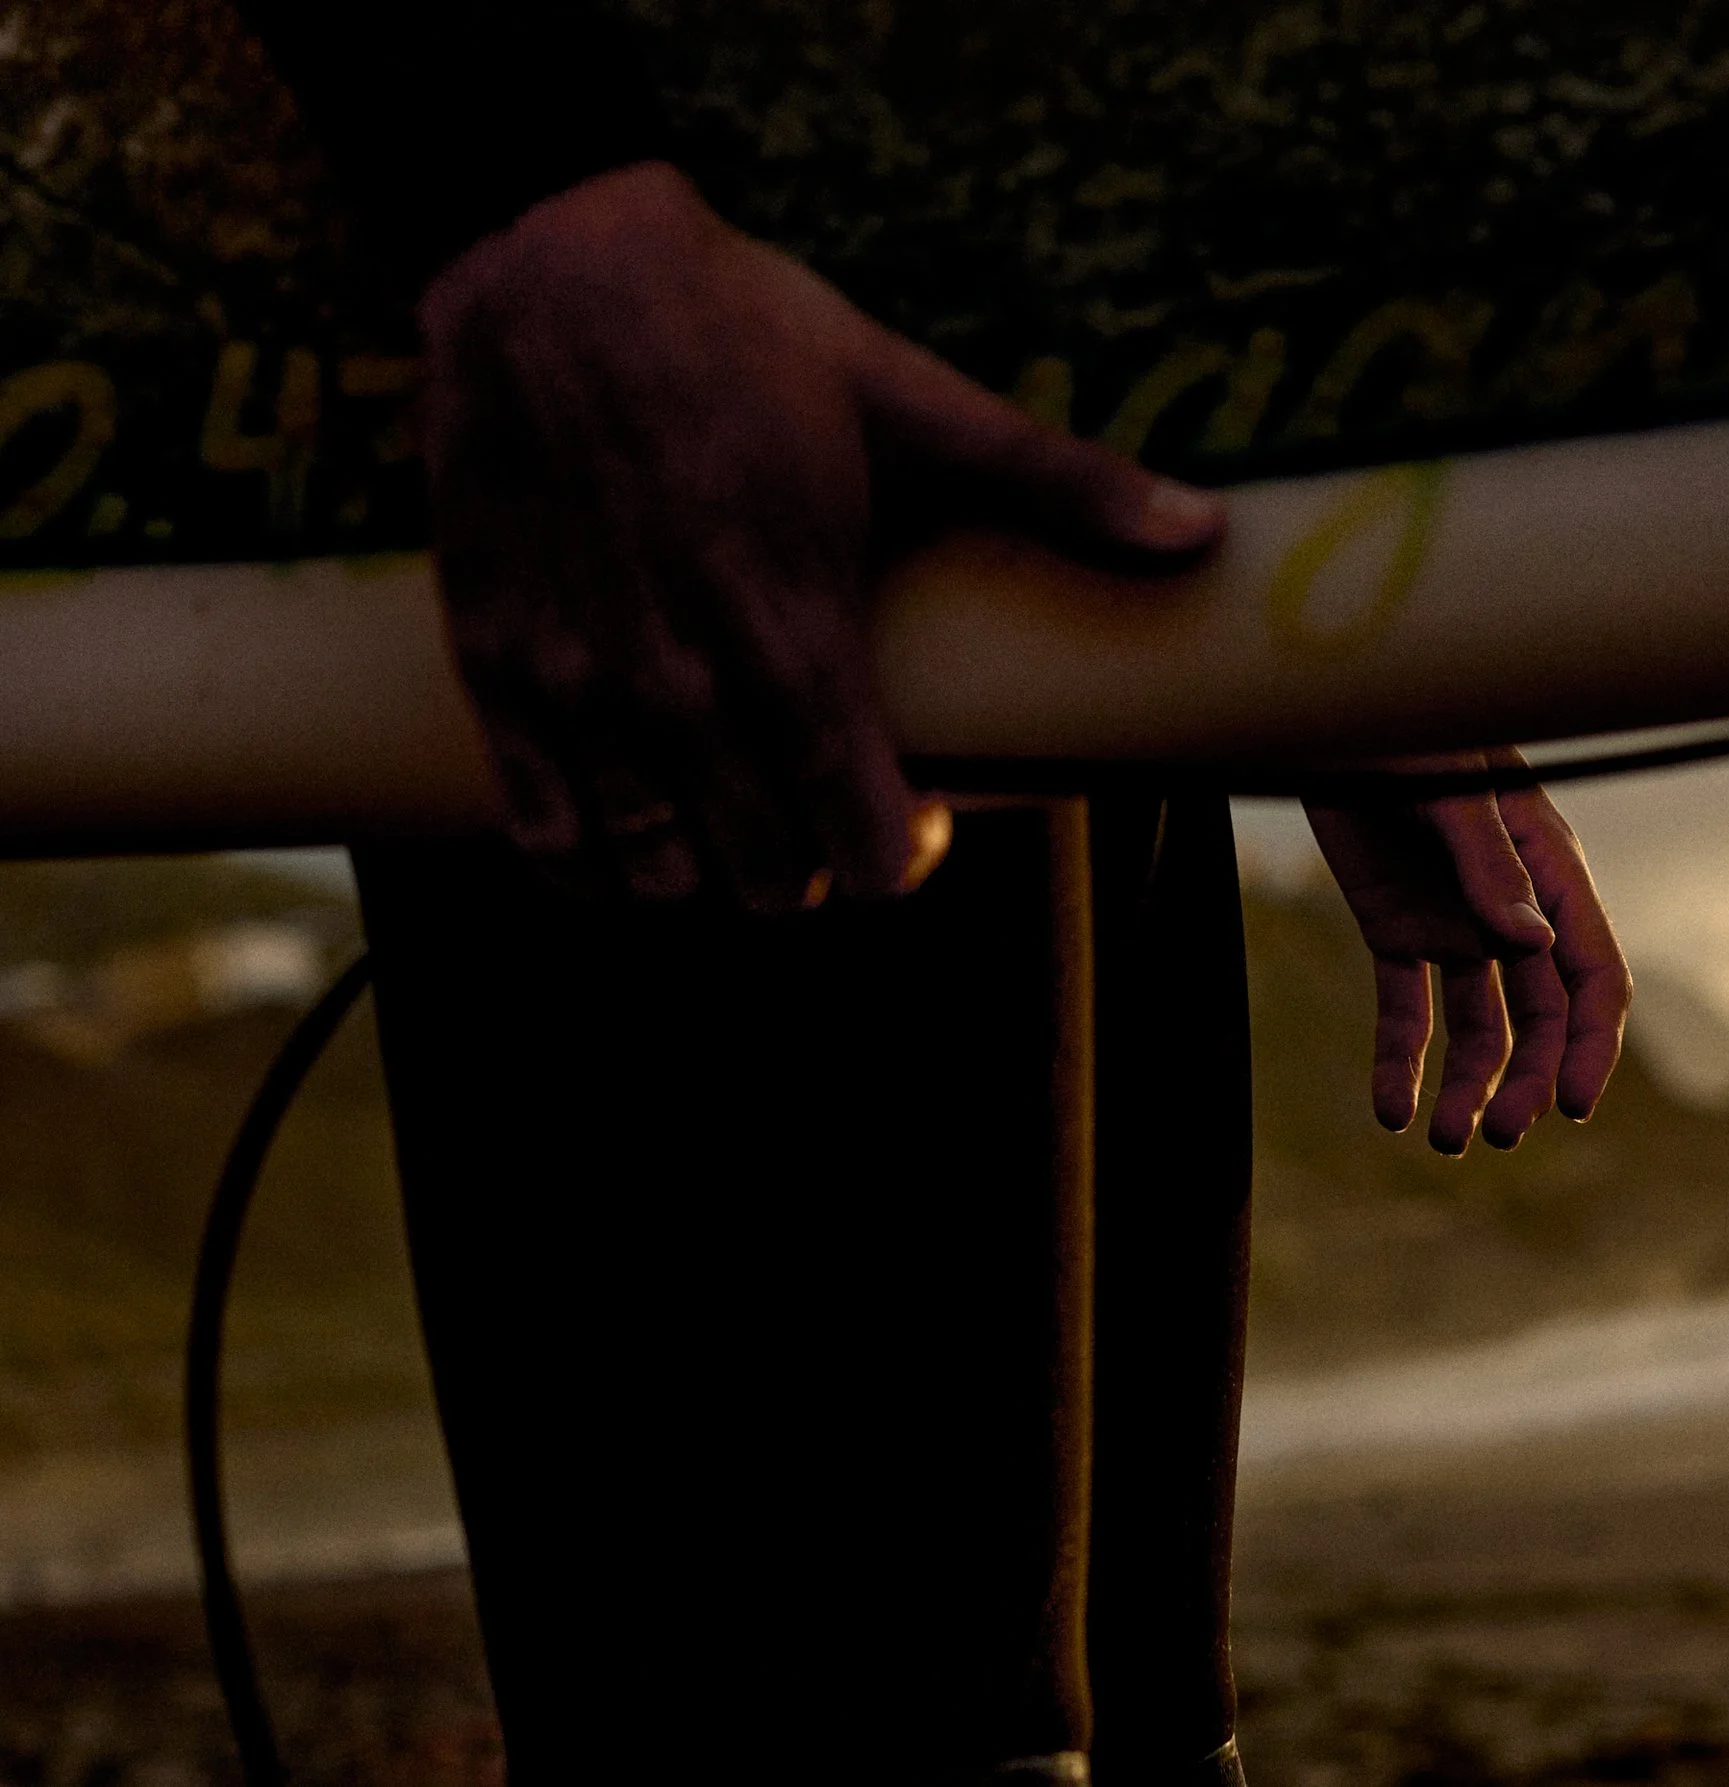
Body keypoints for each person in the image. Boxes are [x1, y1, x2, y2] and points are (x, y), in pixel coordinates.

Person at [234, 4, 1633, 1781]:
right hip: (645, 366)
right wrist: (527, 188)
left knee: (1135, 1744)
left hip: (1012, 449)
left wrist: (1282, 590)